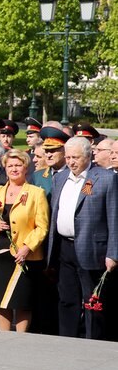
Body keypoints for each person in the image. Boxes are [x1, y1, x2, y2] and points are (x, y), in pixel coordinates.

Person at [48, 136, 118, 340]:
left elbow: (114, 216)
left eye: (76, 157)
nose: (71, 162)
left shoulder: (105, 178)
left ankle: (92, 341)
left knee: (92, 301)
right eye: (68, 157)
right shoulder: (60, 178)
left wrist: (113, 253)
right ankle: (67, 339)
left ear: (88, 156)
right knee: (67, 299)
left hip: (93, 248)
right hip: (64, 248)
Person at [0, 150, 48, 332]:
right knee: (1, 301)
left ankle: (21, 338)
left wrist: (27, 247)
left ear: (26, 168)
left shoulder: (36, 193)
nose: (14, 169)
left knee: (21, 301)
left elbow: (42, 227)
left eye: (18, 165)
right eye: (10, 166)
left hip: (23, 256)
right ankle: (3, 337)